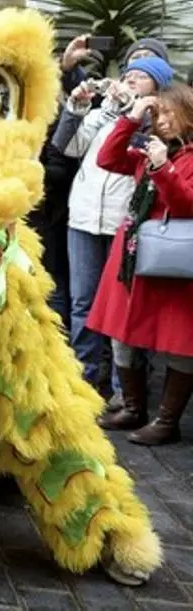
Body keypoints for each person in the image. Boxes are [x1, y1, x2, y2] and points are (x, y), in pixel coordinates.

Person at [89, 85, 193, 444]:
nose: (161, 121)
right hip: (135, 258)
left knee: (180, 341)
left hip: (175, 261)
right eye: (157, 114)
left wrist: (163, 168)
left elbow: (185, 205)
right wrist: (131, 118)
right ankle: (133, 408)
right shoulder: (149, 149)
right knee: (122, 332)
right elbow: (107, 159)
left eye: (169, 113)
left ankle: (167, 421)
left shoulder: (179, 157)